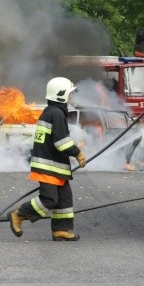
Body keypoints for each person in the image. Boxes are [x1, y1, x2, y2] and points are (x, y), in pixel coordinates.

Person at [8, 77, 87, 241]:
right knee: (49, 199)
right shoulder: (56, 114)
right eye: (69, 93)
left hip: (55, 166)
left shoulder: (52, 112)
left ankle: (60, 229)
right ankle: (19, 215)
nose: (71, 97)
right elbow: (61, 143)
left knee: (64, 199)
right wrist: (78, 153)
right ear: (60, 95)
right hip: (48, 167)